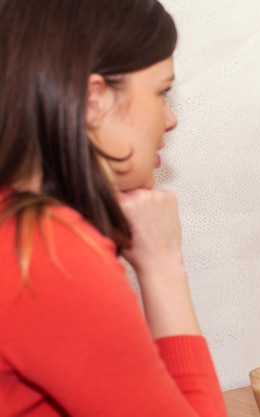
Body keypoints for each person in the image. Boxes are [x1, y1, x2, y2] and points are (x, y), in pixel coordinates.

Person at [0, 0, 228, 416]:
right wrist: (163, 269)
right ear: (94, 101)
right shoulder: (48, 252)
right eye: (161, 92)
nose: (171, 118)